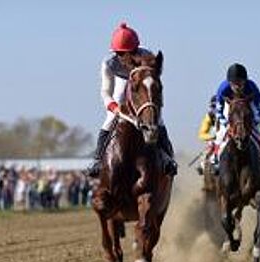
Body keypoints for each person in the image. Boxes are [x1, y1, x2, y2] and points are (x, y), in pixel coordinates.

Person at [86, 22, 177, 178]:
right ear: (115, 52)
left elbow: (154, 80)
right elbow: (105, 91)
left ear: (137, 49)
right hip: (122, 83)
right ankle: (97, 160)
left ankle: (168, 158)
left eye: (130, 52)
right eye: (120, 53)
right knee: (110, 118)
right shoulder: (108, 63)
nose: (125, 57)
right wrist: (114, 107)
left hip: (141, 85)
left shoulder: (147, 55)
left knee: (157, 119)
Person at [212, 63, 260, 169]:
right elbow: (218, 111)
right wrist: (225, 123)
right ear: (229, 82)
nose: (237, 86)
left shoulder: (252, 87)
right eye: (234, 83)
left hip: (248, 107)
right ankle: (216, 158)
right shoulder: (223, 88)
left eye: (240, 83)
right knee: (220, 135)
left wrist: (255, 122)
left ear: (245, 81)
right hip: (229, 108)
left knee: (259, 135)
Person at [196, 95, 218, 174]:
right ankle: (202, 164)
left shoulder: (230, 114)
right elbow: (202, 134)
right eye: (213, 106)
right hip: (215, 139)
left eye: (215, 106)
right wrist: (213, 137)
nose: (214, 109)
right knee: (210, 147)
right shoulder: (209, 117)